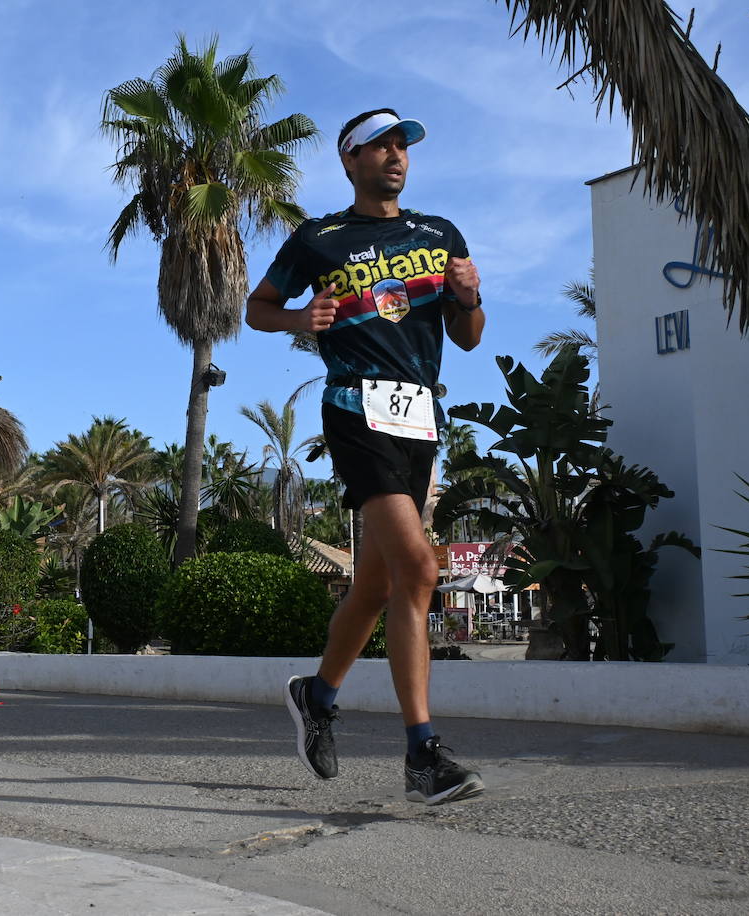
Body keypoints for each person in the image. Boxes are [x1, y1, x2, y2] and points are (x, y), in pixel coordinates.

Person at [245, 109, 486, 806]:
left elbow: (469, 337)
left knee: (378, 587)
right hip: (354, 409)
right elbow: (259, 306)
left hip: (419, 417)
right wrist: (298, 319)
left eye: (401, 144)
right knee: (419, 565)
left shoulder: (439, 237)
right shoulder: (319, 239)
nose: (394, 155)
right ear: (349, 161)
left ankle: (317, 696)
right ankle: (422, 756)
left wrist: (468, 297)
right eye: (378, 146)